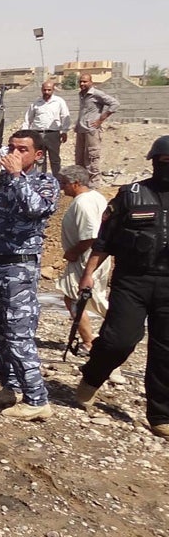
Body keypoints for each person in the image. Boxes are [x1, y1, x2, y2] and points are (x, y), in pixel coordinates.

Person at [76, 136, 169, 439]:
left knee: (165, 351)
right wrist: (88, 275)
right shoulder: (131, 195)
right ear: (153, 162)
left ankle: (160, 415)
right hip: (133, 281)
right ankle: (91, 378)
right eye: (161, 162)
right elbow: (104, 241)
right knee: (120, 340)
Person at [0, 130, 59, 420]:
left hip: (18, 268)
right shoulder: (3, 183)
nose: (13, 154)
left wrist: (15, 177)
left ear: (37, 155)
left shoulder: (44, 182)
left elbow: (36, 209)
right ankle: (9, 388)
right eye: (11, 148)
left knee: (18, 334)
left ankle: (37, 399)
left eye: (21, 149)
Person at [54, 165, 109, 355]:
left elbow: (91, 236)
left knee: (74, 298)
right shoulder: (96, 197)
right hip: (96, 257)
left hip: (85, 258)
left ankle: (90, 341)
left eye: (64, 183)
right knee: (93, 297)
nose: (62, 188)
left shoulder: (83, 203)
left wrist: (74, 252)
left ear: (76, 183)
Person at [75, 74, 120, 182]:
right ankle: (82, 182)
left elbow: (115, 104)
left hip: (92, 130)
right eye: (80, 82)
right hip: (81, 129)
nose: (82, 84)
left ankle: (94, 183)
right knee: (79, 157)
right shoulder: (81, 94)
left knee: (92, 156)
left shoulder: (96, 94)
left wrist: (101, 119)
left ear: (91, 82)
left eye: (85, 82)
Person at [24, 80, 71, 175]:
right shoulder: (36, 103)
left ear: (53, 90)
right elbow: (28, 119)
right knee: (39, 159)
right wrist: (25, 133)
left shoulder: (59, 102)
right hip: (38, 134)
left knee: (55, 159)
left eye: (49, 90)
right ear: (41, 90)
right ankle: (40, 180)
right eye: (44, 90)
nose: (46, 92)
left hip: (53, 134)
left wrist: (64, 131)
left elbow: (65, 116)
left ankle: (57, 180)